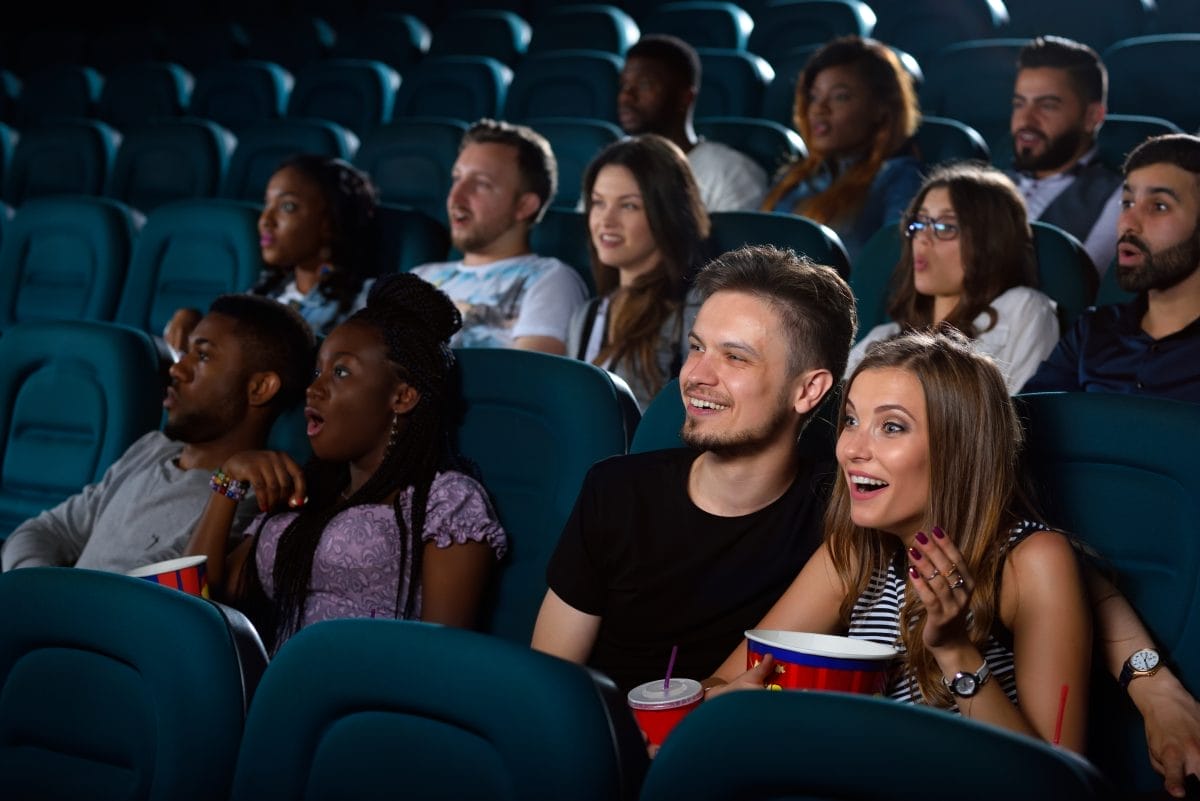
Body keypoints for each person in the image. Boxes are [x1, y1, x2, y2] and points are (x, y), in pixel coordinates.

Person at [709, 329, 1093, 750]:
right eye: (851, 420)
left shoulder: (1033, 561)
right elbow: (726, 679)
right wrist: (726, 702)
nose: (852, 450)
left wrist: (954, 651)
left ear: (958, 449)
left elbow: (1055, 777)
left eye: (891, 427)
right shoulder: (856, 553)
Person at [532, 245, 858, 694]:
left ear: (808, 390)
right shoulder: (616, 491)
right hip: (600, 743)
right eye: (696, 348)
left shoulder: (841, 516)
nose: (695, 376)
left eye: (735, 357)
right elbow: (546, 687)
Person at [186, 273, 508, 653]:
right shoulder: (306, 494)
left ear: (402, 397)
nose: (314, 389)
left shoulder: (445, 500)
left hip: (366, 706)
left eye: (341, 372)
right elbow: (196, 601)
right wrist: (227, 483)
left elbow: (443, 659)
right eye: (317, 372)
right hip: (274, 695)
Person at [1, 294, 315, 573]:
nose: (177, 370)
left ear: (259, 388)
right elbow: (43, 531)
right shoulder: (154, 448)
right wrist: (36, 588)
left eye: (203, 356)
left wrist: (48, 601)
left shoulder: (245, 495)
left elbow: (149, 592)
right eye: (187, 353)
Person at [848, 163, 1059, 393]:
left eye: (945, 226)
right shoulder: (883, 336)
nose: (922, 238)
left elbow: (1015, 420)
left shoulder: (1024, 309)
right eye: (919, 223)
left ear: (991, 242)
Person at [1023, 133, 1200, 401]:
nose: (1128, 222)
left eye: (1159, 206)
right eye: (1127, 203)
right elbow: (1023, 427)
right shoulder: (1093, 332)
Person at [164, 154, 380, 354]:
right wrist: (193, 324)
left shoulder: (367, 303)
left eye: (287, 206)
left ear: (330, 222)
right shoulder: (265, 295)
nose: (265, 220)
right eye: (267, 204)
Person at [413, 119, 589, 355]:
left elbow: (529, 381)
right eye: (457, 179)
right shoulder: (419, 276)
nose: (456, 197)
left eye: (482, 184)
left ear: (525, 206)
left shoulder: (550, 280)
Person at [568, 135, 711, 408]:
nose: (605, 221)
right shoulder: (584, 316)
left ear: (666, 214)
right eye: (598, 203)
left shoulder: (696, 309)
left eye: (628, 205)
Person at [761, 35, 923, 262]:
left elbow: (891, 272)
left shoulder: (899, 178)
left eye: (840, 97)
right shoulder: (793, 177)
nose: (819, 109)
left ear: (880, 108)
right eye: (814, 96)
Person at [1007, 36, 1122, 277]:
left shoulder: (1116, 197)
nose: (1026, 120)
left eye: (1047, 106)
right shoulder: (991, 179)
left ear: (1092, 116)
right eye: (1019, 104)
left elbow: (1080, 291)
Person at [617, 34, 767, 212]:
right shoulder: (612, 164)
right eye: (624, 85)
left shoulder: (732, 172)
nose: (626, 96)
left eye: (644, 85)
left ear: (685, 97)